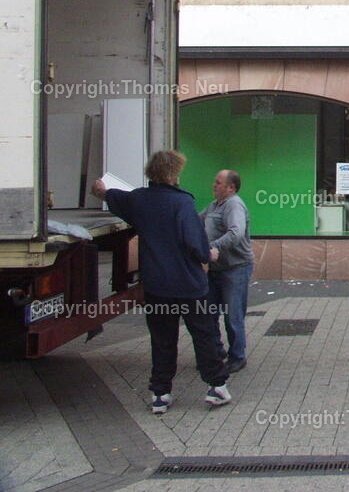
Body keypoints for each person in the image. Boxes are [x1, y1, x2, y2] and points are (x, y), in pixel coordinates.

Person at [91, 151, 231, 414]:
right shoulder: (182, 203)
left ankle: (161, 393)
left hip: (156, 286)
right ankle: (217, 386)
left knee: (162, 338)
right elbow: (195, 242)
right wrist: (207, 254)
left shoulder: (138, 200)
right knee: (204, 334)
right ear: (174, 173)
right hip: (189, 284)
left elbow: (109, 195)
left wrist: (101, 190)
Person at [200, 170, 253, 374]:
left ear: (231, 188)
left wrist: (214, 247)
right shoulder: (214, 205)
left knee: (233, 315)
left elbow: (236, 233)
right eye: (215, 181)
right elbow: (197, 221)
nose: (214, 185)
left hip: (235, 269)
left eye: (218, 182)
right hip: (215, 269)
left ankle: (237, 356)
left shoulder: (234, 205)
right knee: (209, 313)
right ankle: (216, 352)